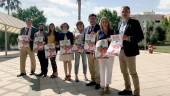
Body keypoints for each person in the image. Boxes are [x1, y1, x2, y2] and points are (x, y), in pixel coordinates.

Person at [116, 6, 144, 96]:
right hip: (120, 51)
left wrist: (128, 38)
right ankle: (128, 89)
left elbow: (140, 37)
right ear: (121, 13)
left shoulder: (134, 22)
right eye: (123, 11)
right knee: (124, 71)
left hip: (130, 52)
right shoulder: (119, 23)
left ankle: (137, 93)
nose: (124, 13)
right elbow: (118, 37)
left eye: (126, 11)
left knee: (133, 73)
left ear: (129, 12)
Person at [97, 17, 114, 95]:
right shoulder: (98, 32)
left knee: (109, 69)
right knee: (102, 69)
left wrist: (111, 39)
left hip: (110, 52)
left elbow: (116, 40)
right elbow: (96, 43)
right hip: (101, 53)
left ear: (108, 22)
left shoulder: (112, 31)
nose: (104, 23)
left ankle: (107, 86)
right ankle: (102, 86)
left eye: (106, 21)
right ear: (100, 23)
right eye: (102, 22)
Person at [85, 14, 101, 89]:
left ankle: (98, 82)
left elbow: (102, 37)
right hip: (88, 51)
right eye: (90, 19)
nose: (92, 20)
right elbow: (85, 39)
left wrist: (96, 35)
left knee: (97, 67)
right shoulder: (87, 28)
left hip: (96, 51)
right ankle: (93, 80)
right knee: (91, 67)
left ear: (96, 19)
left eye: (93, 19)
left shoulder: (99, 27)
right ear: (88, 20)